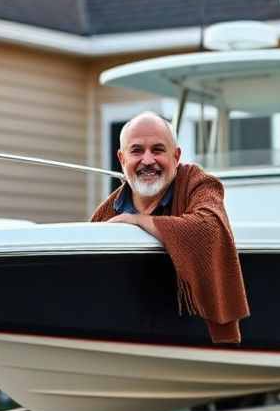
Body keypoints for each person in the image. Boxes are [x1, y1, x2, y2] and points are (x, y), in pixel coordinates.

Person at [90, 112, 250, 343]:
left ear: (176, 156)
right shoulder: (105, 213)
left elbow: (209, 228)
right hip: (129, 337)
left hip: (195, 339)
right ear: (122, 158)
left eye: (157, 150)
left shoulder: (200, 184)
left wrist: (138, 220)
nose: (147, 160)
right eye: (136, 150)